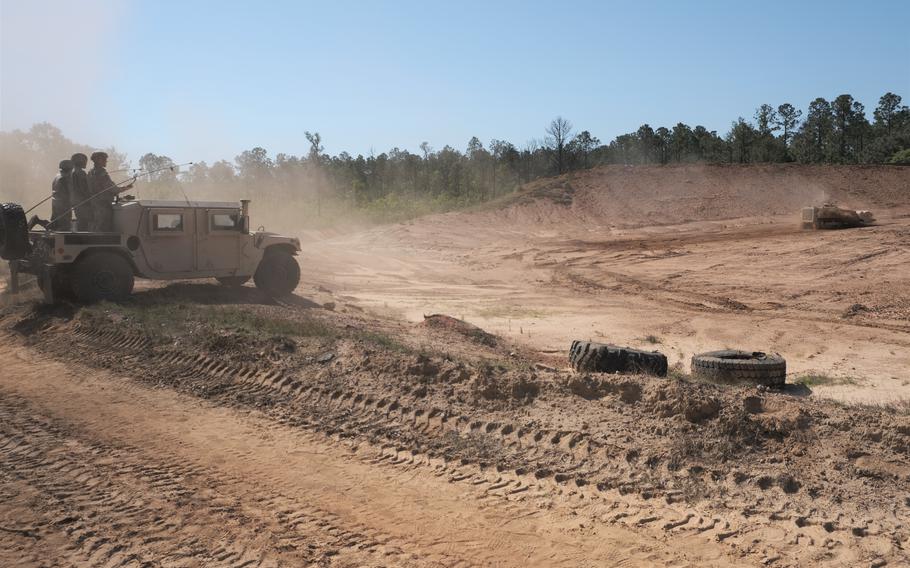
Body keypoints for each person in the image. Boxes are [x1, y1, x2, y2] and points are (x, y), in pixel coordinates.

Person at [87, 151, 132, 232]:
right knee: (104, 228)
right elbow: (112, 188)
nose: (106, 161)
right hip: (103, 205)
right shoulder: (101, 173)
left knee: (96, 226)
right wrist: (126, 187)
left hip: (93, 204)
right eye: (104, 159)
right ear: (99, 160)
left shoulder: (90, 172)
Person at [70, 153, 93, 231]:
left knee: (80, 220)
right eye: (85, 161)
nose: (86, 163)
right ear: (80, 162)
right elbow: (84, 189)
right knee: (85, 222)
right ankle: (83, 239)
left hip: (76, 202)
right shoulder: (81, 173)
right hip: (83, 202)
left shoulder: (72, 172)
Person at [50, 159, 74, 231]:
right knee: (65, 226)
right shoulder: (65, 178)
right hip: (64, 206)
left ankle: (38, 221)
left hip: (55, 203)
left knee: (55, 224)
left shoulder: (57, 176)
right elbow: (69, 192)